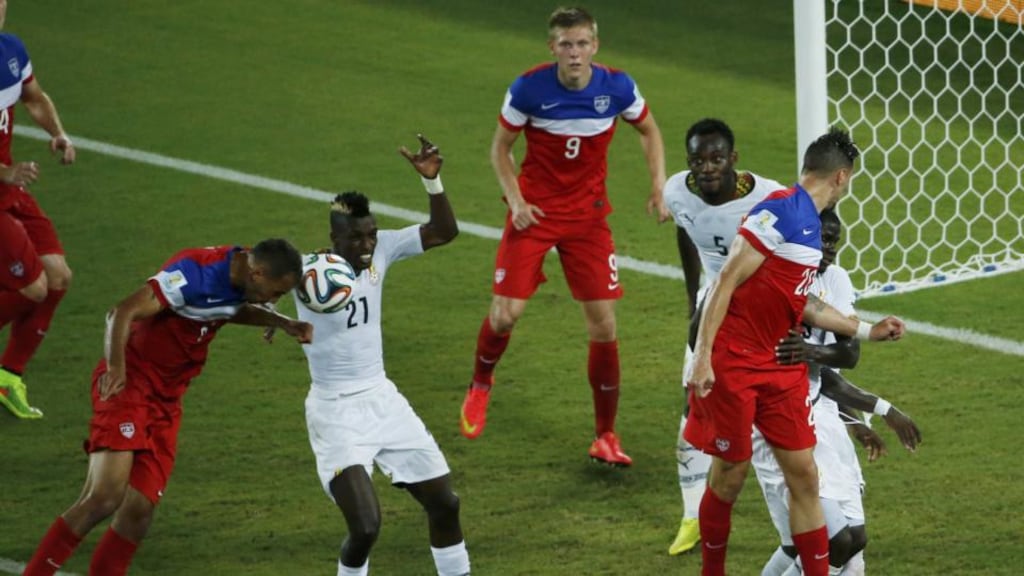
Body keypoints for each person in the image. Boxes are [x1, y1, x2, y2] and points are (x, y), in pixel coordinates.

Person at [684, 127, 906, 576]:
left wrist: (865, 330)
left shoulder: (808, 224)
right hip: (738, 360)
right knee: (731, 472)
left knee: (804, 475)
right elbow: (726, 280)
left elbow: (802, 300)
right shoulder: (781, 211)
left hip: (780, 364)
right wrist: (703, 356)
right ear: (841, 177)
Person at [23, 238, 312, 576]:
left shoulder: (245, 274)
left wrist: (280, 322)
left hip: (168, 398)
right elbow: (122, 311)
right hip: (131, 384)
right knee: (104, 496)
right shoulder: (193, 272)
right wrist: (117, 367)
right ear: (258, 274)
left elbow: (229, 308)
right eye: (275, 293)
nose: (274, 301)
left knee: (139, 511)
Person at [459, 6, 667, 467]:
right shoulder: (528, 88)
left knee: (604, 325)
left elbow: (649, 131)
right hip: (534, 213)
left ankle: (605, 435)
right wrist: (514, 201)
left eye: (582, 43)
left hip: (589, 218)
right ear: (552, 48)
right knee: (505, 315)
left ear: (595, 45)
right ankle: (480, 384)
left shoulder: (617, 87)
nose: (574, 53)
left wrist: (657, 185)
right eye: (565, 45)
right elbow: (500, 148)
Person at [295, 135, 468, 576]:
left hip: (383, 398)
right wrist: (279, 324)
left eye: (370, 233)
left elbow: (444, 231)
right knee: (367, 528)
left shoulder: (383, 249)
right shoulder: (307, 273)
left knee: (445, 503)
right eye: (355, 238)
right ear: (334, 237)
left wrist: (433, 182)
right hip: (335, 411)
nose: (367, 244)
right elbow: (250, 290)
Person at [754, 209, 922, 576]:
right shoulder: (777, 283)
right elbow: (819, 370)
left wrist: (856, 421)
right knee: (833, 541)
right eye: (821, 239)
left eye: (834, 241)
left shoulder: (837, 280)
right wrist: (882, 410)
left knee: (853, 539)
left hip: (820, 411)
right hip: (780, 423)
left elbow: (845, 358)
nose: (828, 248)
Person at [663, 118, 787, 555]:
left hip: (763, 314)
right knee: (692, 406)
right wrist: (692, 300)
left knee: (782, 412)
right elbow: (684, 229)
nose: (708, 167)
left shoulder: (769, 198)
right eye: (699, 160)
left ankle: (809, 500)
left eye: (717, 158)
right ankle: (691, 515)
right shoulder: (677, 191)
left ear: (733, 158)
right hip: (712, 307)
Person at [0, 0, 77, 419]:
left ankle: (8, 375)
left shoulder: (11, 50)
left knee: (59, 276)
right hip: (3, 183)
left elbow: (33, 96)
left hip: (7, 189)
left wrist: (58, 134)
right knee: (34, 289)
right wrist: (6, 170)